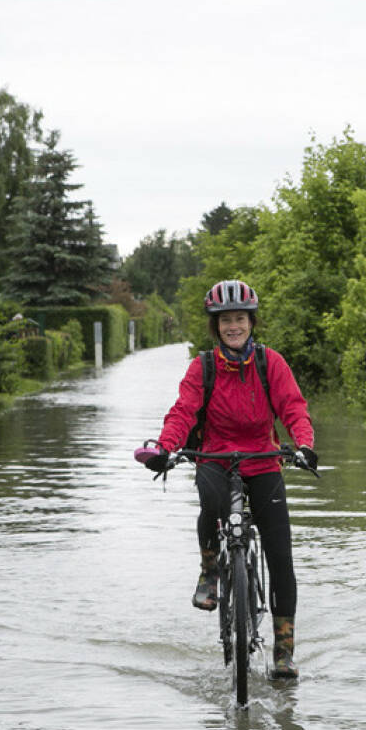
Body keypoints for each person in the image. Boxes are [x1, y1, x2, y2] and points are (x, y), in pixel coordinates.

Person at [141, 280, 317, 679]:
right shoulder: (202, 366)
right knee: (212, 502)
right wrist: (167, 448)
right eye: (225, 321)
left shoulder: (271, 363)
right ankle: (210, 571)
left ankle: (284, 651)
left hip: (265, 459)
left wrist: (303, 445)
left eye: (240, 319)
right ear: (216, 326)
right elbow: (183, 412)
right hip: (215, 456)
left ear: (251, 322)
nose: (233, 326)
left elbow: (293, 409)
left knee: (281, 556)